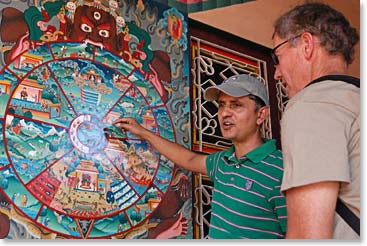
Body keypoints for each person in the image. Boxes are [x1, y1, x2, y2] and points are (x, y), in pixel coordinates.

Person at [113, 74, 287, 239]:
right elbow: (189, 159)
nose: (225, 113)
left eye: (236, 105)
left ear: (261, 114)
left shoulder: (281, 170)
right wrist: (143, 133)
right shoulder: (223, 162)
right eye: (221, 105)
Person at [271, 2, 359, 239]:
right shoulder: (355, 99)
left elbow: (308, 236)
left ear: (307, 44)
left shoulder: (312, 105)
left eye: (277, 56)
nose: (276, 73)